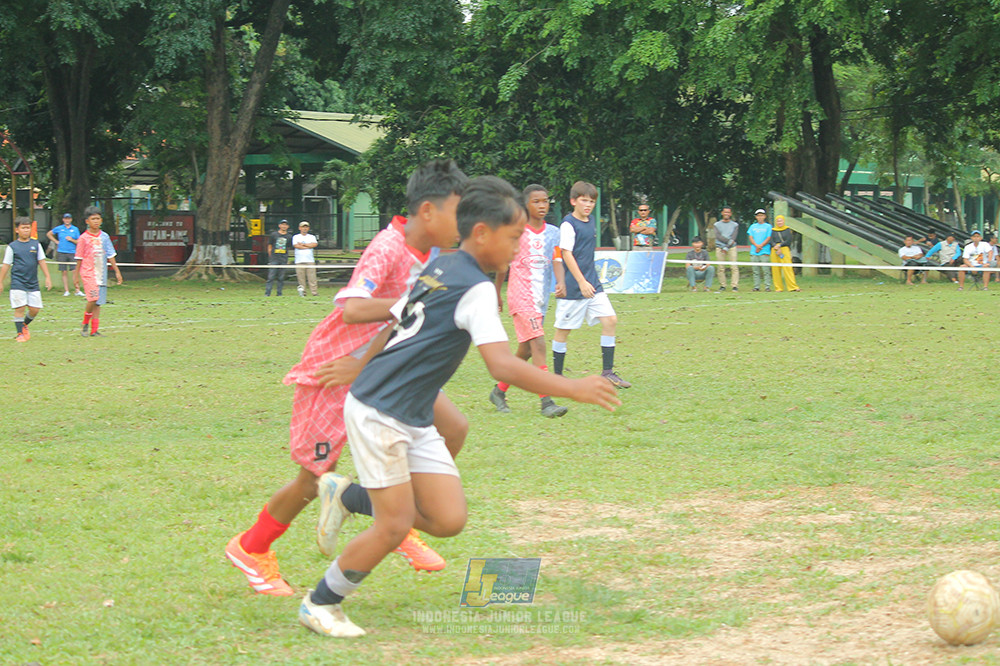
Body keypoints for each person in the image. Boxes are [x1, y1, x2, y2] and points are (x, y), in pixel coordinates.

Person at [297, 175, 620, 638]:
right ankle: (321, 603)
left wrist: (365, 366)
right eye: (513, 237)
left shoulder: (440, 263)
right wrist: (572, 387)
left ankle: (347, 495)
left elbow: (398, 322)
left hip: (412, 410)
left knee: (448, 520)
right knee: (394, 525)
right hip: (380, 411)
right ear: (483, 233)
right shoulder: (474, 288)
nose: (519, 246)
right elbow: (502, 365)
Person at [226, 159, 469, 597]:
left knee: (453, 427)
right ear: (429, 211)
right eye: (459, 211)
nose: (466, 223)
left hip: (386, 369)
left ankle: (396, 521)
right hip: (336, 369)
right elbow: (354, 309)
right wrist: (412, 302)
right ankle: (251, 547)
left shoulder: (436, 253)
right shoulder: (388, 247)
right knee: (315, 476)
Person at [489, 184, 567, 418]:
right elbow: (503, 262)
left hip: (540, 297)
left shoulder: (553, 232)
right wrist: (496, 292)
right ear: (526, 204)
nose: (542, 205)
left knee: (526, 350)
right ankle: (546, 401)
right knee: (539, 343)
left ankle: (499, 391)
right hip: (520, 295)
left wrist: (560, 281)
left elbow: (557, 259)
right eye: (536, 201)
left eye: (545, 201)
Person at [552, 181, 630, 388]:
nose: (588, 205)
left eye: (591, 201)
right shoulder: (568, 224)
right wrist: (581, 281)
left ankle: (607, 373)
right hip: (574, 286)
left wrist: (589, 281)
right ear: (573, 201)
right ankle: (557, 378)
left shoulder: (591, 221)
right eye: (584, 200)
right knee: (563, 330)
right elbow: (566, 254)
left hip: (593, 284)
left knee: (610, 320)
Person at [1, 218, 52, 341]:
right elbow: (6, 265)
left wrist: (48, 277)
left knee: (35, 309)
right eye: (23, 228)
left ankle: (23, 325)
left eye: (28, 227)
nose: (26, 230)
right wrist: (0, 281)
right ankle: (20, 334)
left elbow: (41, 261)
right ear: (17, 230)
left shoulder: (36, 245)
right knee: (20, 308)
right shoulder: (12, 247)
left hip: (32, 282)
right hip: (18, 282)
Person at [74, 206, 123, 337]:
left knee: (98, 302)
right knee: (93, 298)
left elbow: (111, 255)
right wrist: (75, 276)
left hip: (101, 272)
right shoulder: (83, 238)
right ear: (87, 221)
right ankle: (85, 323)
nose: (96, 221)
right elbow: (79, 258)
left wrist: (117, 271)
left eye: (98, 219)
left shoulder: (105, 237)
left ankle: (94, 330)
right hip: (88, 272)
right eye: (93, 219)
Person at [46, 212, 83, 296]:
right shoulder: (59, 228)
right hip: (62, 252)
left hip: (72, 252)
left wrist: (71, 240)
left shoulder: (75, 229)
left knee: (74, 271)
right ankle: (66, 290)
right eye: (65, 218)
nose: (67, 220)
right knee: (64, 272)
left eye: (68, 218)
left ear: (71, 219)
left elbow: (79, 241)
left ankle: (77, 290)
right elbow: (49, 234)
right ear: (63, 219)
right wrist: (55, 241)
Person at [769, 215, 800, 292]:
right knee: (775, 269)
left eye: (781, 221)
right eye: (778, 221)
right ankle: (778, 288)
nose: (779, 222)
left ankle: (792, 286)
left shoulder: (787, 229)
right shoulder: (773, 230)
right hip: (775, 250)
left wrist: (780, 245)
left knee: (788, 268)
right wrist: (775, 246)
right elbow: (771, 240)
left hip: (784, 249)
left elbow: (788, 240)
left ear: (783, 221)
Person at [713, 206, 740, 291]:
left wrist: (727, 247)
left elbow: (734, 237)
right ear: (722, 213)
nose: (726, 214)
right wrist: (725, 246)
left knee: (734, 267)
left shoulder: (735, 225)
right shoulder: (716, 224)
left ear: (731, 214)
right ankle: (723, 285)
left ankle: (734, 285)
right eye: (725, 212)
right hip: (720, 247)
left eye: (728, 212)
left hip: (731, 247)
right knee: (721, 268)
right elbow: (718, 236)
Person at [746, 208, 773, 292]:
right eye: (758, 216)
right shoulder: (753, 226)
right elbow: (750, 237)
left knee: (766, 270)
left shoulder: (768, 226)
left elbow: (768, 237)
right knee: (755, 270)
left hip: (764, 251)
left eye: (761, 215)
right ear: (756, 217)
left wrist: (761, 246)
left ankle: (767, 286)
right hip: (754, 251)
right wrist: (756, 246)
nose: (760, 217)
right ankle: (756, 286)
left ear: (764, 216)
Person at [265, 219, 291, 296]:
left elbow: (288, 247)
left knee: (281, 277)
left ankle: (279, 293)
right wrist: (271, 255)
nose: (284, 226)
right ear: (279, 226)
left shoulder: (289, 236)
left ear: (288, 226)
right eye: (282, 224)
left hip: (283, 258)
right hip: (274, 258)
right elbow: (270, 245)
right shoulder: (274, 235)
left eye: (285, 225)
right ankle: (267, 293)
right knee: (271, 277)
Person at [293, 221, 319, 297]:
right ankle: (303, 293)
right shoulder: (296, 237)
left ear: (308, 228)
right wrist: (308, 246)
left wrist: (303, 244)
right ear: (299, 228)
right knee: (301, 278)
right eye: (303, 227)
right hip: (299, 260)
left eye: (306, 227)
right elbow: (296, 246)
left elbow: (314, 244)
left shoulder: (312, 237)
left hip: (310, 260)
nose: (304, 228)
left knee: (312, 278)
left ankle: (314, 292)